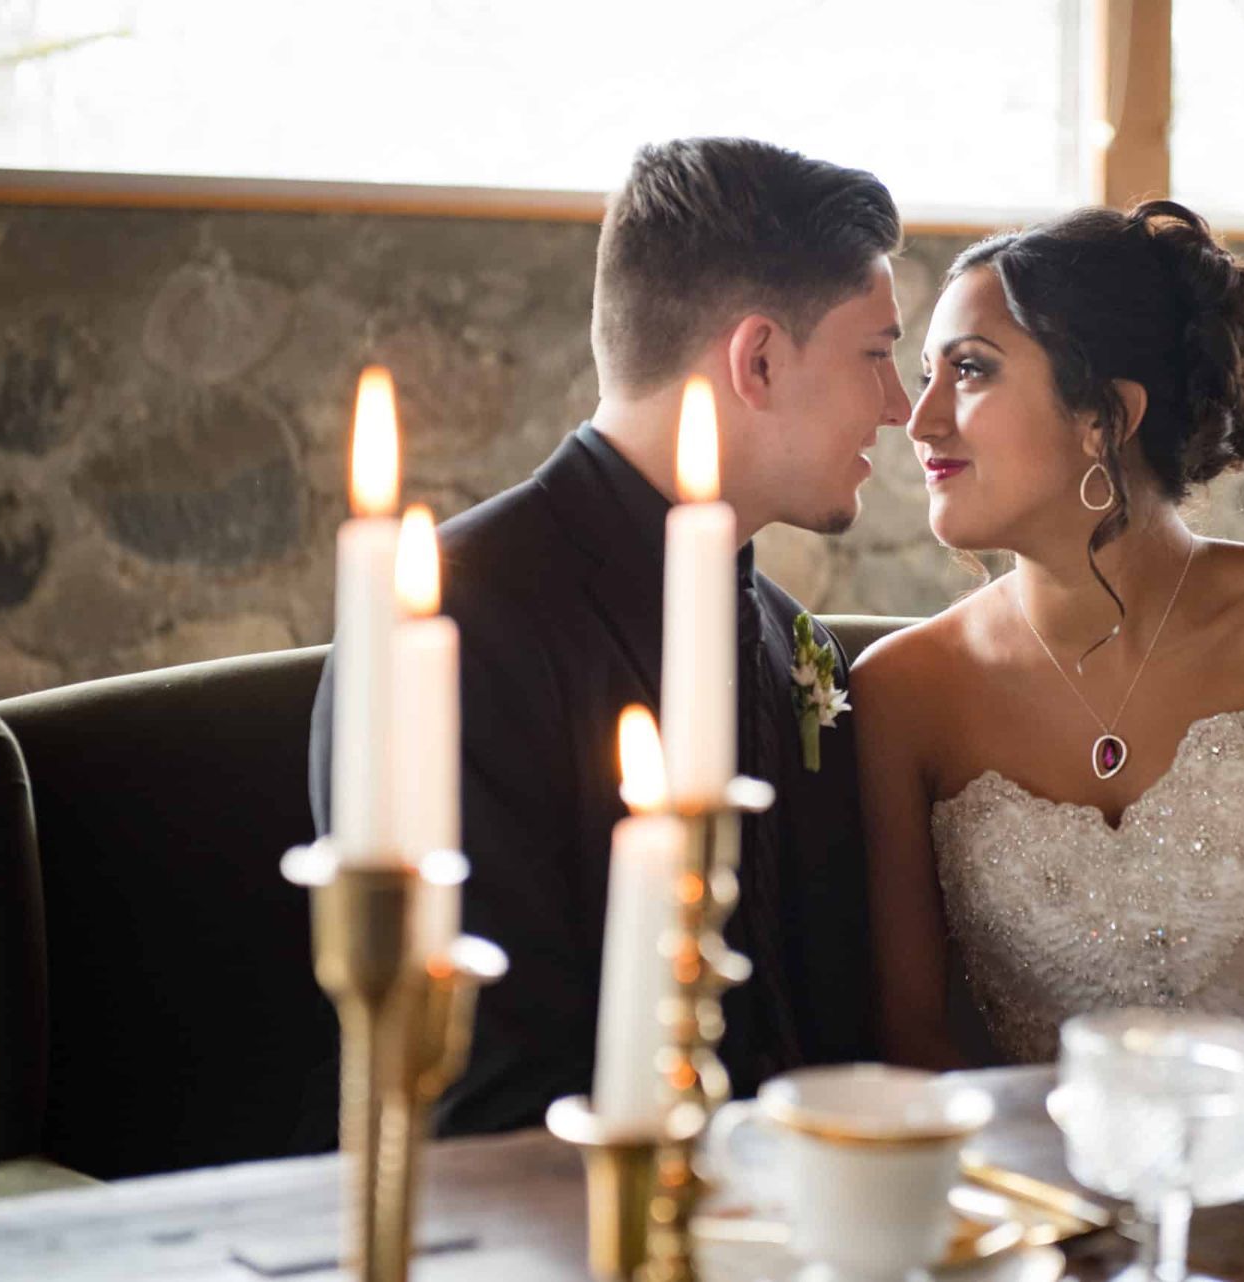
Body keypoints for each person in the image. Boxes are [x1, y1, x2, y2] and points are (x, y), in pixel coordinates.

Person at [306, 137, 911, 1134]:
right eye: (878, 356)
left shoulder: (785, 637)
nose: (898, 408)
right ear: (757, 358)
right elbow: (476, 1079)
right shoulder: (448, 629)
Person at [854, 200, 1244, 1067]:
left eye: (969, 371)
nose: (920, 417)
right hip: (1026, 1186)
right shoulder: (899, 691)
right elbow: (917, 1039)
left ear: (1105, 418)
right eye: (926, 372)